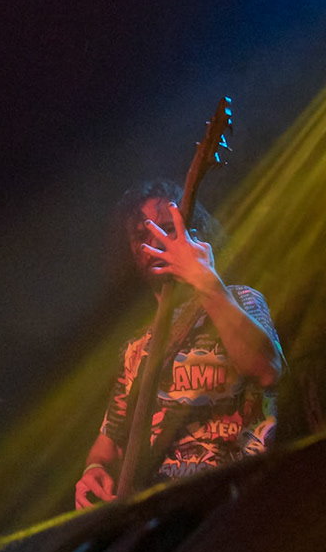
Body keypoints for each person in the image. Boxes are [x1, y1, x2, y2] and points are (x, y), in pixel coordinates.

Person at [75, 181, 284, 508]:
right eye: (142, 236)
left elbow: (266, 369)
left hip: (239, 498)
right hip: (162, 511)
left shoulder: (241, 299)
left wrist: (205, 280)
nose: (154, 241)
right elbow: (109, 444)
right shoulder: (136, 347)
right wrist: (94, 470)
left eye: (167, 229)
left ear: (193, 235)